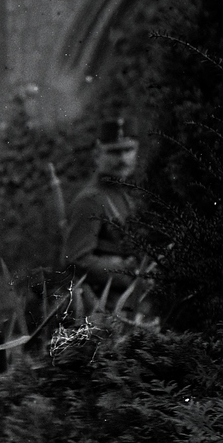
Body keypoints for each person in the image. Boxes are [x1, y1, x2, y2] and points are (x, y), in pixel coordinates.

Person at [64, 116, 147, 312]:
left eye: (129, 150)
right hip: (108, 308)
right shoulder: (90, 200)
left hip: (135, 302)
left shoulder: (127, 194)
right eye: (114, 152)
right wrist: (127, 272)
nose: (123, 159)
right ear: (97, 155)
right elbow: (77, 260)